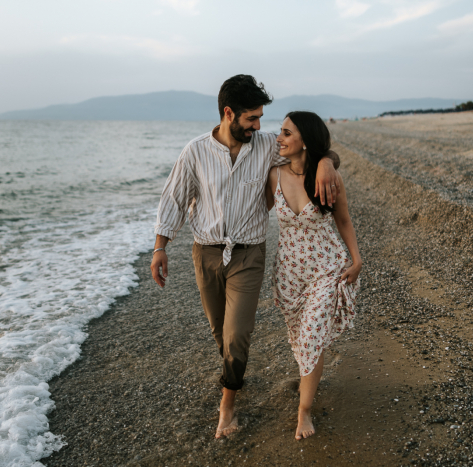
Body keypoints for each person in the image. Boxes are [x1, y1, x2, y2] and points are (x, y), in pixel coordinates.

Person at [150, 75, 341, 438]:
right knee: (221, 333)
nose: (259, 126)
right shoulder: (195, 152)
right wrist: (160, 247)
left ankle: (228, 409)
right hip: (205, 254)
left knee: (238, 334)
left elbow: (312, 148)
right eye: (252, 118)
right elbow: (173, 199)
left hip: (248, 254)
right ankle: (233, 374)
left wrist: (329, 162)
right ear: (228, 113)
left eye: (260, 118)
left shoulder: (266, 145)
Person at [265, 111, 362, 441]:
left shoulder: (328, 178)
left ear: (303, 140)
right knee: (301, 340)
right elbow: (252, 210)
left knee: (310, 338)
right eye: (279, 132)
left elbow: (344, 220)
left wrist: (357, 258)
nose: (279, 138)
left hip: (326, 268)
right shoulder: (274, 175)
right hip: (289, 274)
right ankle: (309, 378)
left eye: (286, 133)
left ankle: (304, 411)